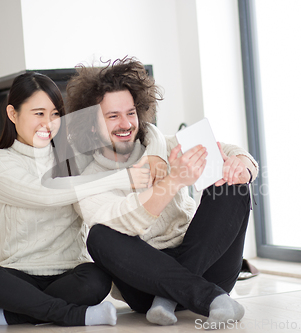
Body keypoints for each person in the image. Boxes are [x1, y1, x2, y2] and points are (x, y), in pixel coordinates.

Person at [0, 72, 169, 328]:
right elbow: (46, 193)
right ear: (13, 114)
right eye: (38, 113)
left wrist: (158, 156)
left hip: (72, 273)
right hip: (18, 274)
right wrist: (122, 179)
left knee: (98, 277)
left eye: (55, 114)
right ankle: (75, 315)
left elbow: (145, 130)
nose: (48, 123)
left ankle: (11, 315)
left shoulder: (72, 156)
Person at [67, 57, 259, 327]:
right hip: (144, 283)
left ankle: (168, 298)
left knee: (232, 185)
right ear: (91, 124)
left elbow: (229, 151)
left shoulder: (167, 145)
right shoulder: (88, 182)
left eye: (130, 113)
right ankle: (203, 298)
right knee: (99, 237)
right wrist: (174, 181)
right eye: (113, 116)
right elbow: (125, 221)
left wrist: (244, 166)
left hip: (207, 269)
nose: (125, 123)